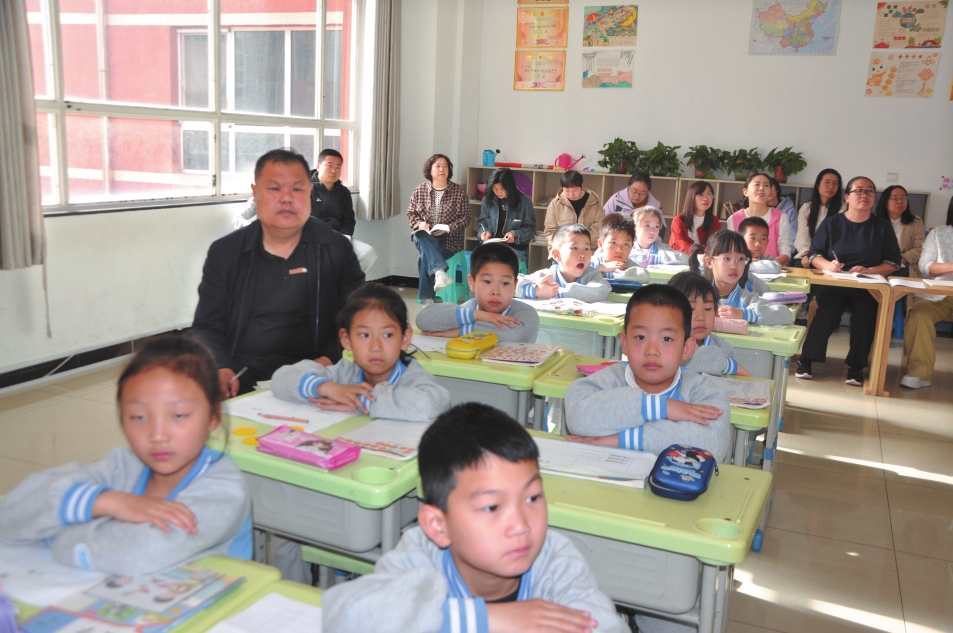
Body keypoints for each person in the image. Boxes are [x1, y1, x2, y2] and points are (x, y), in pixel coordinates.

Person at [322, 403, 626, 633]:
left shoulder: (554, 561)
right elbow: (344, 617)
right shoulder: (421, 558)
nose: (521, 525)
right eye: (492, 507)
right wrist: (484, 620)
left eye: (532, 498)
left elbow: (605, 626)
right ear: (438, 526)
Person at [0, 335, 251, 576]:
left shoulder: (224, 489)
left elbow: (139, 554)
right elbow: (10, 517)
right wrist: (105, 502)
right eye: (139, 417)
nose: (158, 435)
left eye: (179, 415)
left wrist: (57, 534)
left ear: (213, 416)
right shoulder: (122, 464)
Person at [193, 148, 365, 397]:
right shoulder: (226, 253)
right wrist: (221, 367)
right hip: (242, 375)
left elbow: (356, 316)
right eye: (274, 189)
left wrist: (326, 360)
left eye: (297, 189)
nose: (286, 199)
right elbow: (207, 324)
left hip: (317, 372)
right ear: (255, 193)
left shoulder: (336, 248)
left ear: (309, 191)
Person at [564, 284, 731, 465]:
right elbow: (578, 417)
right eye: (641, 337)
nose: (652, 351)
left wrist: (620, 440)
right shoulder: (608, 380)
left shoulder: (705, 392)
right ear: (625, 343)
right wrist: (660, 407)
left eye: (666, 339)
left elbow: (711, 444)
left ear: (686, 348)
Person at [272, 283, 450, 421]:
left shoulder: (412, 377)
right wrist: (325, 387)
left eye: (387, 335)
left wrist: (363, 401)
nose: (376, 346)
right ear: (346, 340)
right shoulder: (344, 373)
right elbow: (280, 378)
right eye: (364, 335)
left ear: (404, 338)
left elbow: (436, 403)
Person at [796, 176, 901, 386]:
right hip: (835, 283)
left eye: (869, 191)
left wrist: (870, 270)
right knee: (828, 311)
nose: (864, 195)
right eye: (858, 190)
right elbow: (814, 254)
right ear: (847, 197)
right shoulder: (832, 223)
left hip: (867, 285)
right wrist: (828, 265)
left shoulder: (882, 226)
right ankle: (806, 360)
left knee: (866, 314)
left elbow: (894, 262)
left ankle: (856, 366)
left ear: (874, 198)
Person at [416, 242, 539, 342]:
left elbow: (517, 335)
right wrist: (478, 315)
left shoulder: (526, 313)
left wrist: (463, 331)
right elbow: (423, 319)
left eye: (505, 283)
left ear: (515, 286)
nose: (496, 291)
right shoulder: (468, 309)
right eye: (487, 281)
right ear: (472, 283)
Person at [688, 230, 791, 326]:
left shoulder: (746, 299)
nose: (734, 266)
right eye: (726, 258)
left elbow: (786, 314)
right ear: (709, 262)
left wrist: (744, 314)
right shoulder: (695, 295)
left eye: (741, 259)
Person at [901, 199, 953, 389]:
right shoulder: (940, 234)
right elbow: (925, 265)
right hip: (939, 294)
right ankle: (919, 373)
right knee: (919, 316)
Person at [407, 154, 471, 304]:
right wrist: (420, 224)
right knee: (421, 235)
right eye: (437, 166)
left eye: (445, 166)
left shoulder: (458, 191)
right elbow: (411, 213)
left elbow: (466, 217)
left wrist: (448, 228)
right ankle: (440, 272)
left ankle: (427, 296)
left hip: (449, 240)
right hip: (426, 236)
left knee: (425, 257)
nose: (441, 169)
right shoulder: (420, 190)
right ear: (429, 170)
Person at [668, 271, 752, 376]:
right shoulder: (666, 345)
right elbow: (691, 359)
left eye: (708, 308)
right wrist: (728, 365)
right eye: (691, 309)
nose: (701, 317)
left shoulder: (724, 348)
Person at [517, 224, 611, 302]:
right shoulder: (547, 276)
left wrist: (558, 293)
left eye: (587, 249)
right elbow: (513, 283)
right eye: (575, 248)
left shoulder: (591, 275)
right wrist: (537, 291)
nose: (583, 255)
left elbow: (602, 290)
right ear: (556, 255)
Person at [476, 167, 537, 268]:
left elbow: (531, 228)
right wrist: (483, 233)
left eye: (502, 189)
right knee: (480, 259)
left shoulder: (524, 201)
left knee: (500, 261)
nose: (498, 192)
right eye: (495, 189)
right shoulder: (488, 199)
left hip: (515, 246)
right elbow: (482, 222)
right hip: (492, 243)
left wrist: (515, 235)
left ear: (510, 187)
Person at [727, 173, 791, 266]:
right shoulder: (734, 219)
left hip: (771, 271)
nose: (761, 188)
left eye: (766, 185)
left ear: (770, 192)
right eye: (757, 184)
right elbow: (732, 251)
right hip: (742, 269)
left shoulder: (781, 217)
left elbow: (785, 253)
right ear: (745, 192)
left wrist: (765, 265)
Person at [794, 169, 843, 268]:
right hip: (808, 253)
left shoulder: (844, 209)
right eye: (827, 182)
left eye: (835, 183)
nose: (831, 187)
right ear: (818, 185)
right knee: (799, 265)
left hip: (831, 256)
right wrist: (805, 254)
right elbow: (802, 234)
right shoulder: (807, 208)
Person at [543, 170, 602, 251]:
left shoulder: (594, 203)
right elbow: (550, 231)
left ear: (582, 185)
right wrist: (562, 247)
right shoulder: (555, 204)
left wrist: (580, 243)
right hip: (562, 251)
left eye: (575, 190)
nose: (571, 194)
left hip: (588, 251)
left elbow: (598, 230)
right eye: (567, 191)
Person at [874, 185, 925, 278]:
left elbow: (920, 247)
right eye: (895, 198)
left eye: (903, 198)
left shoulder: (916, 222)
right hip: (878, 266)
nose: (900, 201)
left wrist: (902, 258)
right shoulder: (874, 221)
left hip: (904, 266)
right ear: (885, 201)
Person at [602, 172, 667, 235]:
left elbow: (661, 228)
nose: (637, 196)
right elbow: (603, 220)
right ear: (628, 186)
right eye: (634, 191)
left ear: (648, 192)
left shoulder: (654, 206)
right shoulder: (617, 199)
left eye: (642, 194)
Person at [668, 180, 720, 255]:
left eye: (709, 195)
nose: (705, 199)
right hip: (681, 258)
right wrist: (697, 252)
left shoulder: (714, 221)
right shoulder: (679, 220)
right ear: (691, 197)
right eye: (700, 194)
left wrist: (705, 254)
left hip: (704, 259)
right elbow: (678, 242)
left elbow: (714, 244)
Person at [766, 175, 797, 257]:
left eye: (770, 186)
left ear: (777, 189)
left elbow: (792, 240)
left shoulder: (789, 211)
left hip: (783, 256)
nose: (768, 190)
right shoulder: (757, 210)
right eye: (765, 187)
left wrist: (781, 257)